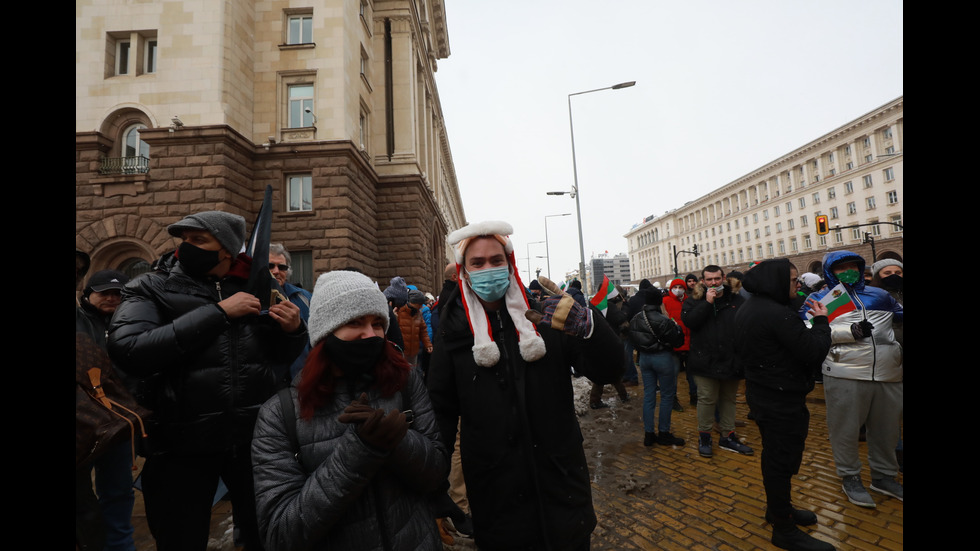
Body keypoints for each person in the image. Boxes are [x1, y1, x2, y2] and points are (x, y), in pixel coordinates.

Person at [107, 210, 309, 551]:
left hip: (253, 442)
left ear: (228, 250)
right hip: (180, 445)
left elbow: (274, 358)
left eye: (199, 240)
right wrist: (219, 313)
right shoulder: (150, 286)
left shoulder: (258, 286)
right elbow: (129, 349)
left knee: (267, 535)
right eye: (184, 240)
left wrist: (293, 330)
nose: (186, 247)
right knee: (181, 539)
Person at [426, 220, 623, 550]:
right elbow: (441, 415)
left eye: (496, 260)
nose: (488, 269)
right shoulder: (452, 332)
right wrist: (433, 491)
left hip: (562, 492)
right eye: (478, 263)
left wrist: (590, 327)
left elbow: (611, 370)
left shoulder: (547, 318)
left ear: (509, 264)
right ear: (465, 272)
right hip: (497, 502)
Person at [251, 270, 448, 550]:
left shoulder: (405, 382)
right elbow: (281, 533)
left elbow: (437, 475)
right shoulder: (279, 414)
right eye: (355, 322)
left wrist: (399, 442)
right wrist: (359, 451)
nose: (371, 335)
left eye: (378, 323)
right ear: (326, 331)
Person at [735, 259, 834, 551]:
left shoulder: (751, 308)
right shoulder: (776, 314)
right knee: (780, 462)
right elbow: (813, 352)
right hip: (780, 400)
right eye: (793, 280)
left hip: (764, 394)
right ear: (776, 282)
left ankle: (779, 509)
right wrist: (821, 321)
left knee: (775, 459)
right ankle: (783, 529)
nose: (799, 285)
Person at [800, 251, 903, 508]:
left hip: (888, 372)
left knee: (887, 430)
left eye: (852, 266)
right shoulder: (820, 299)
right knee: (845, 430)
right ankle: (850, 476)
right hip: (846, 372)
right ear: (829, 272)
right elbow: (807, 331)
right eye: (840, 267)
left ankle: (884, 477)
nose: (848, 271)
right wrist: (849, 331)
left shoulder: (880, 295)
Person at [76, 268, 138, 551]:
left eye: (118, 293)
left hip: (120, 423)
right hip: (81, 424)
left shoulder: (135, 323)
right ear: (88, 294)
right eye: (105, 292)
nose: (112, 298)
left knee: (118, 491)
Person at [682, 265, 753, 458]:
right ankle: (704, 437)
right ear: (703, 281)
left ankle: (727, 436)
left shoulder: (736, 300)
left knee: (729, 400)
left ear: (723, 278)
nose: (714, 283)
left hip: (731, 360)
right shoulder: (694, 301)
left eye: (717, 279)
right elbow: (690, 322)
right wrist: (707, 303)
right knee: (707, 399)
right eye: (709, 279)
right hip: (705, 361)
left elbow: (746, 326)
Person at [628, 287, 685, 447]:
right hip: (662, 358)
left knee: (649, 396)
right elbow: (677, 341)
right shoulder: (663, 319)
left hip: (645, 359)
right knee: (667, 396)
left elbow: (633, 339)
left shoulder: (637, 318)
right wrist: (677, 328)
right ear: (659, 301)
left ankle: (649, 434)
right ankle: (664, 433)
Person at [269, 243, 314, 381]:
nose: (276, 271)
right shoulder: (250, 297)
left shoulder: (304, 297)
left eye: (282, 267)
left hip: (302, 379)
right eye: (270, 266)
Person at [589, 291, 631, 409]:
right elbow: (621, 318)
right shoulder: (609, 306)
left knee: (607, 370)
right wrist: (624, 305)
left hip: (598, 341)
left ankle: (621, 395)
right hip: (610, 340)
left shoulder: (592, 305)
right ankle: (596, 400)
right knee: (611, 370)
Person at [663, 277, 695, 406]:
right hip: (674, 344)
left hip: (690, 342)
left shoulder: (690, 301)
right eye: (675, 287)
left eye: (681, 287)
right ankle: (673, 398)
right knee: (673, 373)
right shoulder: (665, 301)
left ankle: (694, 396)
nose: (678, 290)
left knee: (692, 374)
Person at [398, 289, 434, 368]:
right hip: (402, 352)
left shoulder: (419, 314)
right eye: (419, 304)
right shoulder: (399, 312)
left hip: (414, 352)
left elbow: (423, 331)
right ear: (413, 303)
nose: (421, 306)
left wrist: (428, 344)